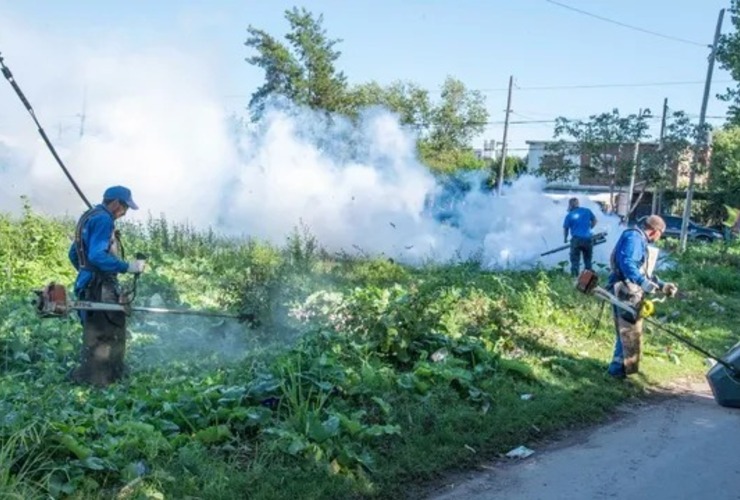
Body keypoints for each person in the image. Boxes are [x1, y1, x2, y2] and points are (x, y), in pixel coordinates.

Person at [68, 186, 146, 386]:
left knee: (93, 332)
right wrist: (126, 266)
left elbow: (74, 254)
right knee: (109, 331)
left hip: (87, 283)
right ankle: (104, 381)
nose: (125, 213)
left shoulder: (89, 216)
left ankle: (90, 375)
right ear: (115, 203)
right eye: (124, 207)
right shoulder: (103, 220)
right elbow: (96, 255)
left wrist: (86, 271)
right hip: (101, 287)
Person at [606, 215, 678, 379]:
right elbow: (627, 263)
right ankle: (617, 371)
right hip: (624, 288)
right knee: (629, 331)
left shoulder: (638, 239)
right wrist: (641, 282)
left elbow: (642, 270)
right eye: (661, 234)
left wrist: (661, 285)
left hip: (627, 287)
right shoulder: (634, 238)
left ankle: (622, 369)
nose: (660, 238)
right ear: (655, 231)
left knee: (629, 331)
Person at [562, 197, 597, 277]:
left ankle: (574, 279)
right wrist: (589, 228)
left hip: (576, 240)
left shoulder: (569, 215)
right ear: (578, 203)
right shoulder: (587, 211)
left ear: (570, 205)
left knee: (575, 261)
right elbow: (595, 221)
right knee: (588, 261)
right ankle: (588, 280)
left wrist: (565, 239)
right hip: (588, 239)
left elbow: (566, 228)